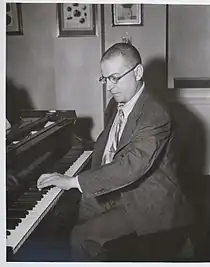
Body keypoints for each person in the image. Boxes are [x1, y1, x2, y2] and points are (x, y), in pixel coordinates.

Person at [37, 42, 193, 261]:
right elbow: (108, 147)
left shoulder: (155, 114)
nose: (109, 87)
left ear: (138, 72)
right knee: (69, 215)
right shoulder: (115, 104)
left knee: (80, 236)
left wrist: (73, 181)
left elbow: (131, 165)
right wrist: (75, 162)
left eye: (115, 78)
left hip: (149, 200)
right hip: (120, 190)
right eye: (105, 78)